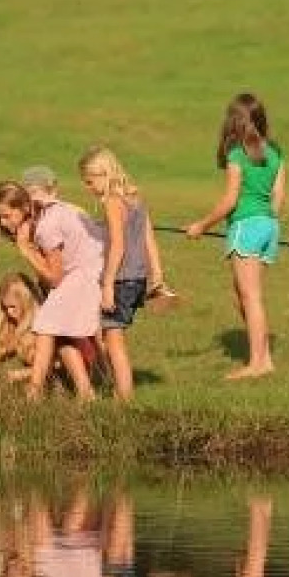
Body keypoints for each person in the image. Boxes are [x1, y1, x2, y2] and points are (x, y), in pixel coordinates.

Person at [185, 93, 287, 380]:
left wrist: (202, 226)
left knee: (251, 297)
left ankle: (257, 364)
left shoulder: (237, 154)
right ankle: (263, 355)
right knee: (240, 295)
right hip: (269, 225)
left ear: (232, 122)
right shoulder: (275, 151)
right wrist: (268, 221)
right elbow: (279, 196)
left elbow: (230, 200)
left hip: (245, 226)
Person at [0, 177, 104, 400]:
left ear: (23, 207)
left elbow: (55, 277)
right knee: (61, 335)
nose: (3, 223)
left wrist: (25, 249)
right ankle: (86, 392)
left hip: (87, 273)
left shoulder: (46, 228)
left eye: (6, 216)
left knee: (46, 325)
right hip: (80, 271)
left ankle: (34, 390)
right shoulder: (37, 207)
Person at [79, 146, 171, 401]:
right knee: (107, 335)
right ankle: (111, 385)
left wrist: (107, 284)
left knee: (115, 341)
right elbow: (148, 238)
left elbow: (117, 245)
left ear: (103, 173)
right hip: (138, 278)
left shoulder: (111, 201)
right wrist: (158, 274)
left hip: (119, 280)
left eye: (90, 181)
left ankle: (124, 398)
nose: (88, 187)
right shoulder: (135, 198)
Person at [0, 272, 41, 382]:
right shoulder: (15, 323)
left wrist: (24, 373)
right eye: (5, 307)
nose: (9, 312)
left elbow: (56, 365)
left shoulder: (42, 325)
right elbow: (11, 348)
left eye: (13, 306)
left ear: (26, 302)